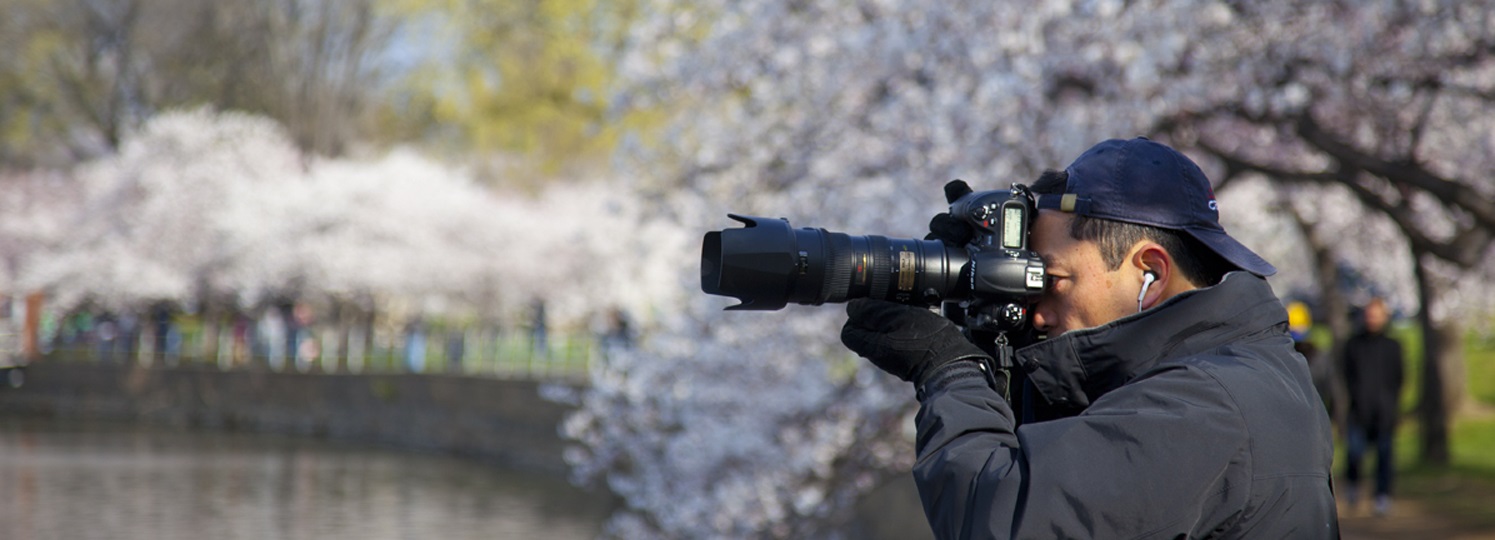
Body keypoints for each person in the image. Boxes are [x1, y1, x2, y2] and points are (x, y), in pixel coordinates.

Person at [840, 138, 1338, 538]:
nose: (1037, 314)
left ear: (1149, 271)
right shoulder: (1238, 369)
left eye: (1051, 281)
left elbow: (1007, 518)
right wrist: (993, 341)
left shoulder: (1207, 406)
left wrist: (947, 369)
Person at [1341, 297, 1404, 516]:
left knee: (1384, 456)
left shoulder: (1392, 346)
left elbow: (1399, 378)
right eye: (1369, 315)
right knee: (1354, 453)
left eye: (1376, 315)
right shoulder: (1353, 345)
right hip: (1359, 410)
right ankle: (1353, 487)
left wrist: (1392, 404)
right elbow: (1346, 375)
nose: (1372, 319)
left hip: (1384, 411)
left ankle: (1382, 495)